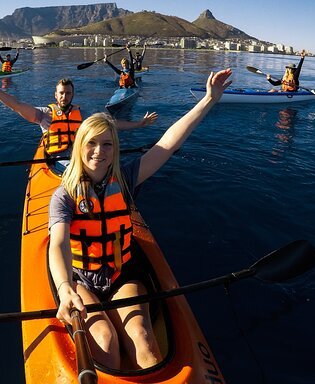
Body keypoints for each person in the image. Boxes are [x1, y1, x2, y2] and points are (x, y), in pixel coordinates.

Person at [48, 69, 232, 370]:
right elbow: (58, 244)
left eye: (108, 144)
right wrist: (64, 286)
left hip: (122, 275)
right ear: (80, 146)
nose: (99, 151)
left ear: (115, 149)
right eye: (92, 143)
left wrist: (208, 101)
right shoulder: (64, 195)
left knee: (144, 341)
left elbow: (167, 144)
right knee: (105, 343)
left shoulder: (127, 177)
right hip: (82, 279)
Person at [0, 74, 158, 158]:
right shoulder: (44, 114)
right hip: (57, 162)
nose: (64, 97)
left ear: (73, 95)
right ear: (56, 95)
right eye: (61, 93)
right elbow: (16, 105)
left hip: (79, 159)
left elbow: (111, 123)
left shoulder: (83, 114)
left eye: (68, 93)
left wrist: (139, 124)